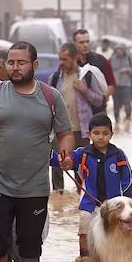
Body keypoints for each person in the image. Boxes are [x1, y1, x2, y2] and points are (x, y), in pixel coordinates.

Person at [0, 42, 75, 262]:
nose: (15, 68)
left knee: (30, 244)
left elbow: (65, 133)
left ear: (34, 65)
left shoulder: (50, 97)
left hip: (34, 186)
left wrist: (66, 153)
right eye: (11, 63)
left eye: (21, 63)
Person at [53, 113, 132, 262]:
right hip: (90, 203)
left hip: (114, 205)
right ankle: (85, 258)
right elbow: (64, 161)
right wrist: (54, 157)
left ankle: (117, 259)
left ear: (112, 134)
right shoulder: (83, 154)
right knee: (84, 225)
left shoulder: (118, 155)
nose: (101, 137)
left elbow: (128, 178)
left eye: (105, 133)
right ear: (89, 135)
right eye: (96, 133)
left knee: (118, 230)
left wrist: (127, 199)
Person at [49, 42, 104, 191]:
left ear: (76, 58)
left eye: (65, 59)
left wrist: (85, 90)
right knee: (57, 168)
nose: (61, 62)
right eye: (60, 58)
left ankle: (82, 199)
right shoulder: (54, 78)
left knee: (82, 169)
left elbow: (99, 100)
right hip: (60, 131)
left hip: (82, 131)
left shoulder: (87, 76)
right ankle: (59, 203)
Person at [72, 29, 116, 111]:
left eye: (87, 42)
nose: (85, 45)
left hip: (97, 110)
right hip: (77, 110)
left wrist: (102, 98)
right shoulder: (70, 62)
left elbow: (112, 85)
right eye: (81, 42)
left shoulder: (101, 61)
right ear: (74, 44)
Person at [110, 44, 132, 125]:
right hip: (115, 85)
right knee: (116, 105)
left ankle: (128, 120)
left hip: (126, 85)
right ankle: (117, 122)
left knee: (127, 103)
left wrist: (128, 70)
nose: (119, 51)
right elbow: (107, 71)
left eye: (121, 49)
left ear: (124, 50)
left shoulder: (128, 59)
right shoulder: (111, 59)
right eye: (117, 49)